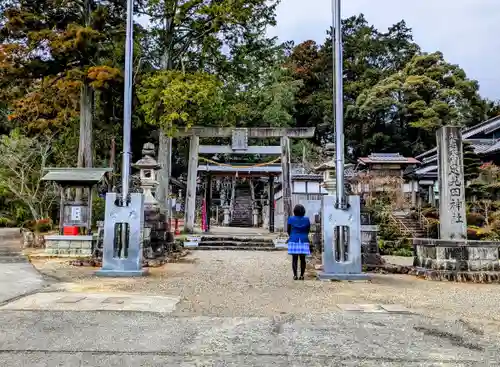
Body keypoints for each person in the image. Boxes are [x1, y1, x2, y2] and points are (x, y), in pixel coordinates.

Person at [287, 204, 311, 280]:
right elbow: (308, 230)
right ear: (303, 211)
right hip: (304, 239)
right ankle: (302, 275)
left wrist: (291, 235)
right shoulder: (306, 219)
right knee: (303, 259)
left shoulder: (291, 219)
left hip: (293, 239)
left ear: (295, 211)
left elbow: (288, 230)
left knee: (294, 259)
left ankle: (295, 275)